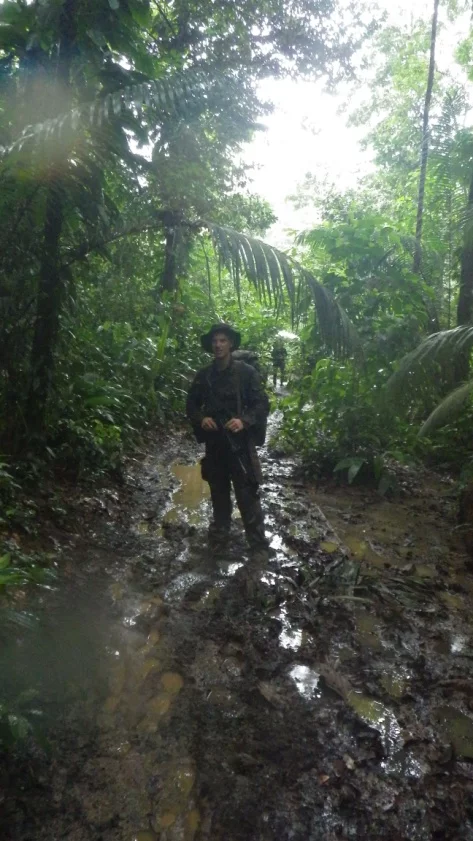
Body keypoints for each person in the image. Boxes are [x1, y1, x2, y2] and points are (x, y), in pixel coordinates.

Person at [186, 323, 270, 562]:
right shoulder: (204, 375)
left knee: (247, 497)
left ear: (231, 344)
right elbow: (191, 405)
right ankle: (220, 538)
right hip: (215, 446)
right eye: (214, 341)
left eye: (222, 340)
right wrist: (202, 419)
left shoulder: (246, 373)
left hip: (240, 446)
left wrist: (244, 421)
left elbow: (262, 404)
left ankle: (258, 547)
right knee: (219, 493)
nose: (218, 345)